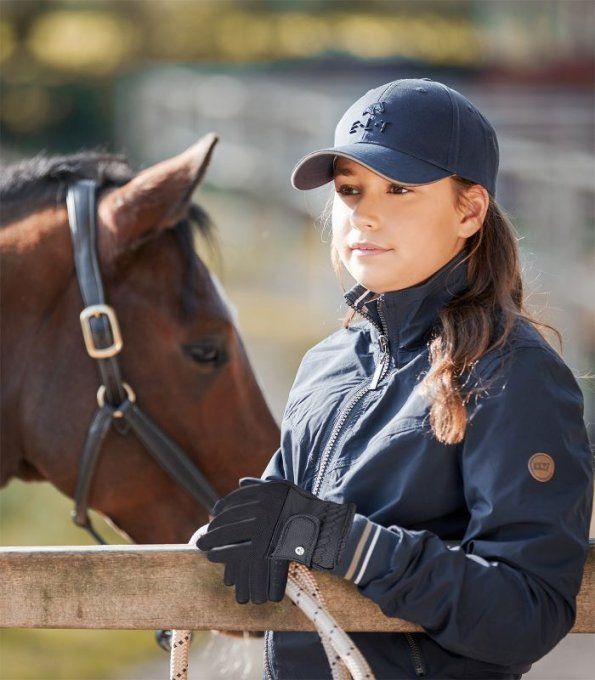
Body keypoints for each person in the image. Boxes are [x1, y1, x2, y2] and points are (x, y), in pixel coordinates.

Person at [196, 78, 593, 679]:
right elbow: (281, 531)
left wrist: (348, 544)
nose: (365, 214)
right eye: (350, 190)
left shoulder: (517, 373)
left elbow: (527, 610)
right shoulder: (326, 364)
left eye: (400, 188)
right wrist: (202, 572)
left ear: (470, 210)